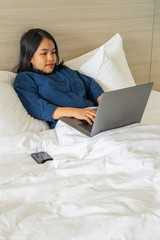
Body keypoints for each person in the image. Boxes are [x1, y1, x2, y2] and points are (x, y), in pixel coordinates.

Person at [14, 28, 104, 129]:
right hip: (69, 125)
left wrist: (104, 102)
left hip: (94, 116)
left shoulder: (65, 70)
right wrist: (76, 112)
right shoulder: (25, 79)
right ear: (29, 57)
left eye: (53, 52)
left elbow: (89, 84)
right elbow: (38, 108)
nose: (51, 58)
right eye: (44, 53)